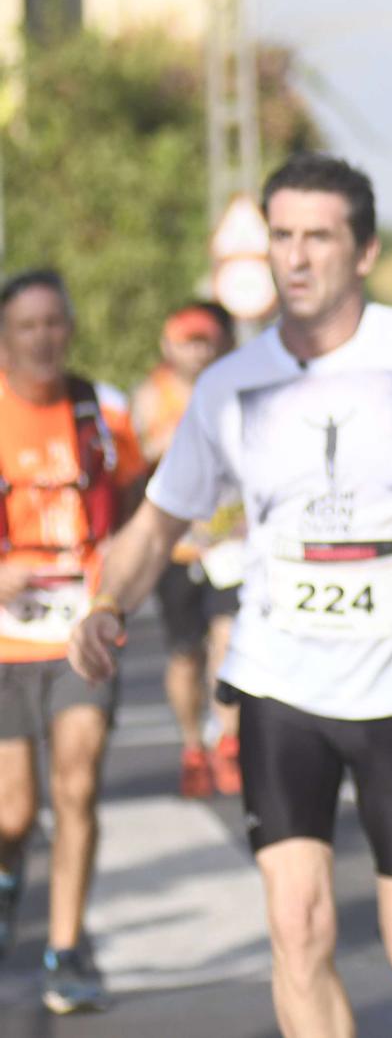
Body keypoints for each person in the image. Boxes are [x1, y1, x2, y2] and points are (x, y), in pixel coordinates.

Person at [69, 155, 392, 1038]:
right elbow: (156, 524)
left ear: (366, 249)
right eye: (282, 236)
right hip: (278, 684)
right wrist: (109, 601)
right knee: (296, 924)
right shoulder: (228, 386)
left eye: (319, 236)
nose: (296, 258)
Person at [0, 270, 147, 1014]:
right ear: (4, 334)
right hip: (2, 638)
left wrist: (116, 574)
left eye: (55, 322)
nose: (44, 338)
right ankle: (6, 873)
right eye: (28, 325)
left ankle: (66, 945)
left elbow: (140, 503)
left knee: (77, 783)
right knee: (11, 810)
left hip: (79, 627)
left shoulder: (102, 414)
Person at [131, 301, 247, 799]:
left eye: (206, 340)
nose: (198, 351)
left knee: (229, 642)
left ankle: (227, 741)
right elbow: (135, 465)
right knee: (184, 656)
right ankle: (191, 743)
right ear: (168, 345)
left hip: (230, 544)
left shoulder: (235, 388)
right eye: (188, 341)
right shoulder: (151, 396)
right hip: (177, 550)